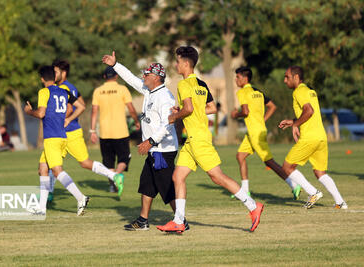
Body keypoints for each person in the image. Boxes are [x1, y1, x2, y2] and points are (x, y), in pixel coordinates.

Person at [157, 46, 264, 233]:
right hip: (192, 141)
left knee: (217, 176)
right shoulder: (201, 84)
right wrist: (183, 110)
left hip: (198, 139)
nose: (175, 64)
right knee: (178, 176)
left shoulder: (183, 85)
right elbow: (211, 108)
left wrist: (175, 116)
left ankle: (253, 206)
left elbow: (189, 109)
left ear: (185, 63)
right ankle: (179, 220)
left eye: (178, 61)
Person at [102, 52, 187, 231]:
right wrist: (115, 64)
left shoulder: (165, 97)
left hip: (163, 150)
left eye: (147, 74)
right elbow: (131, 79)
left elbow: (168, 125)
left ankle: (181, 221)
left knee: (167, 188)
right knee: (147, 185)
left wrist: (150, 141)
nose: (143, 76)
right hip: (155, 150)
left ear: (156, 77)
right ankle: (143, 221)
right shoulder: (150, 91)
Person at [47, 60, 124, 200]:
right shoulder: (71, 87)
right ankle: (114, 175)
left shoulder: (63, 88)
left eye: (56, 71)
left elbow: (70, 107)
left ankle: (48, 194)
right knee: (81, 163)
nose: (53, 74)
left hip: (65, 132)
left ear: (63, 73)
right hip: (72, 131)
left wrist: (65, 119)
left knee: (51, 163)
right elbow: (81, 104)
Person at [24, 65, 89, 216]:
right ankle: (41, 208)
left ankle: (81, 197)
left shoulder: (44, 91)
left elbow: (40, 113)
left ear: (42, 79)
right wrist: (67, 119)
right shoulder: (64, 91)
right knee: (43, 169)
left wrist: (28, 111)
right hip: (62, 136)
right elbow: (79, 106)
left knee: (57, 171)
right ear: (54, 77)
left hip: (52, 138)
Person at [279, 66, 347, 209]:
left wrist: (295, 125)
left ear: (296, 77)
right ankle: (340, 202)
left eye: (287, 77)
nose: (285, 81)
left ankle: (313, 192)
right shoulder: (310, 91)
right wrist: (293, 121)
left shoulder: (299, 91)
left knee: (287, 167)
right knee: (319, 172)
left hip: (309, 137)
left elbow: (309, 111)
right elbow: (310, 113)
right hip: (321, 137)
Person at [231, 67, 302, 199]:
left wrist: (236, 114)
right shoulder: (258, 92)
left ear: (245, 79)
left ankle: (294, 185)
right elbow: (272, 106)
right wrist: (262, 120)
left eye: (238, 77)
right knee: (240, 156)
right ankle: (245, 191)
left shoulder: (242, 92)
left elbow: (245, 112)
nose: (236, 80)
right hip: (257, 131)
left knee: (269, 162)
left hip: (255, 134)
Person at [90, 66, 140, 193]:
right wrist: (136, 121)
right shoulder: (122, 89)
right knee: (124, 158)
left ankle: (113, 185)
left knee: (108, 162)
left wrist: (92, 131)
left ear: (104, 77)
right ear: (116, 76)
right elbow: (131, 108)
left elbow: (94, 112)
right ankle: (117, 175)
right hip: (121, 132)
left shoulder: (98, 91)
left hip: (104, 132)